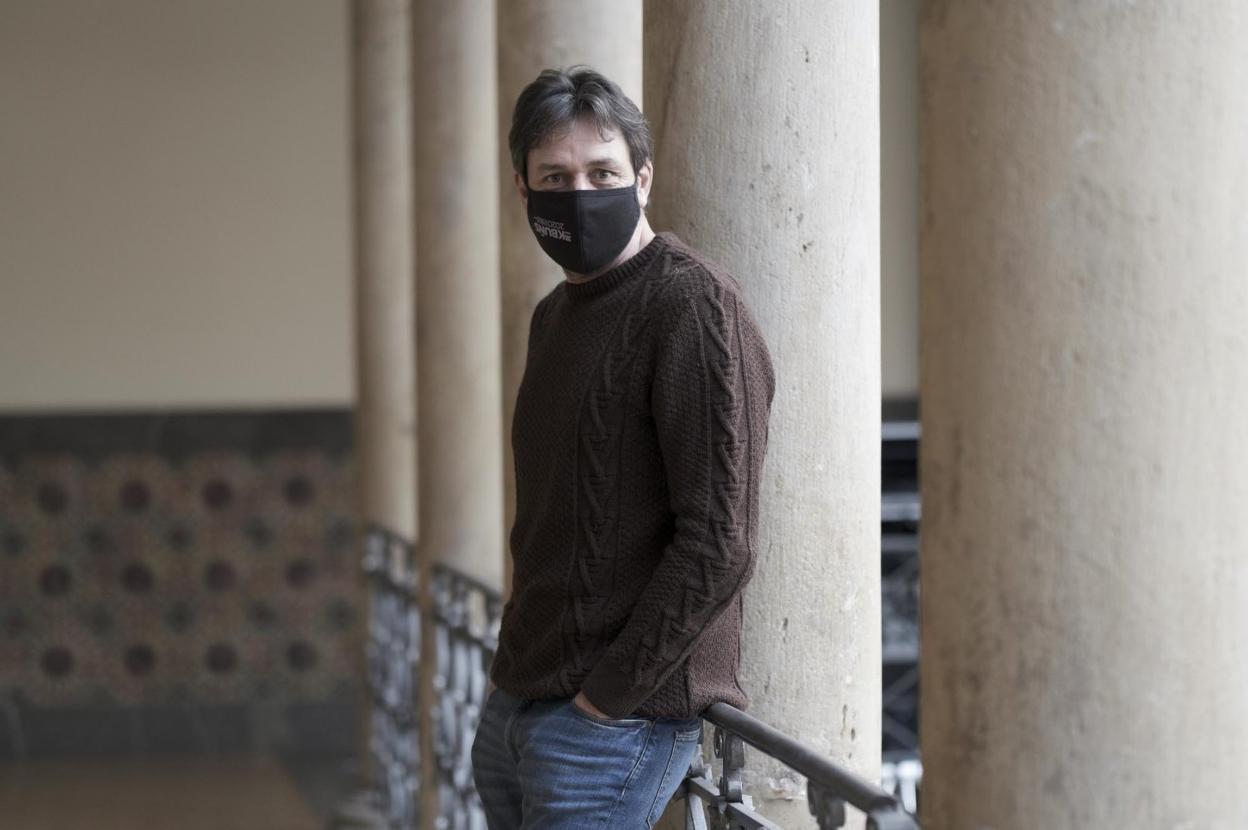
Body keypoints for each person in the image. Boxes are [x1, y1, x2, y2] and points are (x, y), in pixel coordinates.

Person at [470, 65, 775, 829]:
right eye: (556, 176)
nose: (580, 193)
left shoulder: (694, 306)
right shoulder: (554, 316)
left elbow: (719, 543)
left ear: (642, 179)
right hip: (518, 702)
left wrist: (602, 702)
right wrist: (515, 691)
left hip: (608, 724)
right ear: (523, 191)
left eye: (603, 171)